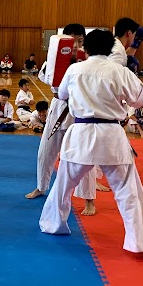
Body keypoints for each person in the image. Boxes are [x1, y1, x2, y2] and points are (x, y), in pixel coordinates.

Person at [38, 30, 143, 259]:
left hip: (81, 134)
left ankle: (54, 224)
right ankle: (140, 243)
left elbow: (61, 94)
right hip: (111, 136)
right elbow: (141, 100)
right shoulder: (120, 71)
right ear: (112, 48)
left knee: (63, 185)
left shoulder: (75, 69)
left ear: (86, 48)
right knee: (128, 191)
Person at [24, 24, 99, 213]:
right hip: (58, 106)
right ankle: (42, 187)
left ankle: (89, 198)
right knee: (45, 151)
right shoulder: (53, 59)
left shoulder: (90, 62)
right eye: (71, 41)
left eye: (79, 41)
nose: (75, 46)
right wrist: (60, 66)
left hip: (80, 109)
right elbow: (45, 78)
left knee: (84, 155)